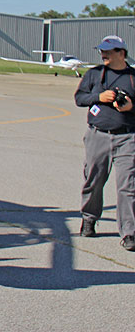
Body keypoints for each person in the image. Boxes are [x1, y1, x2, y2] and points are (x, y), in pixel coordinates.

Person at [75, 35, 135, 251]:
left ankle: (129, 232)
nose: (103, 54)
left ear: (122, 53)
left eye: (108, 51)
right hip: (97, 135)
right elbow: (79, 98)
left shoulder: (132, 77)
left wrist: (130, 107)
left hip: (128, 137)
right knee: (93, 179)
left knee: (128, 186)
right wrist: (99, 97)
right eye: (102, 50)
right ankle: (89, 218)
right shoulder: (94, 74)